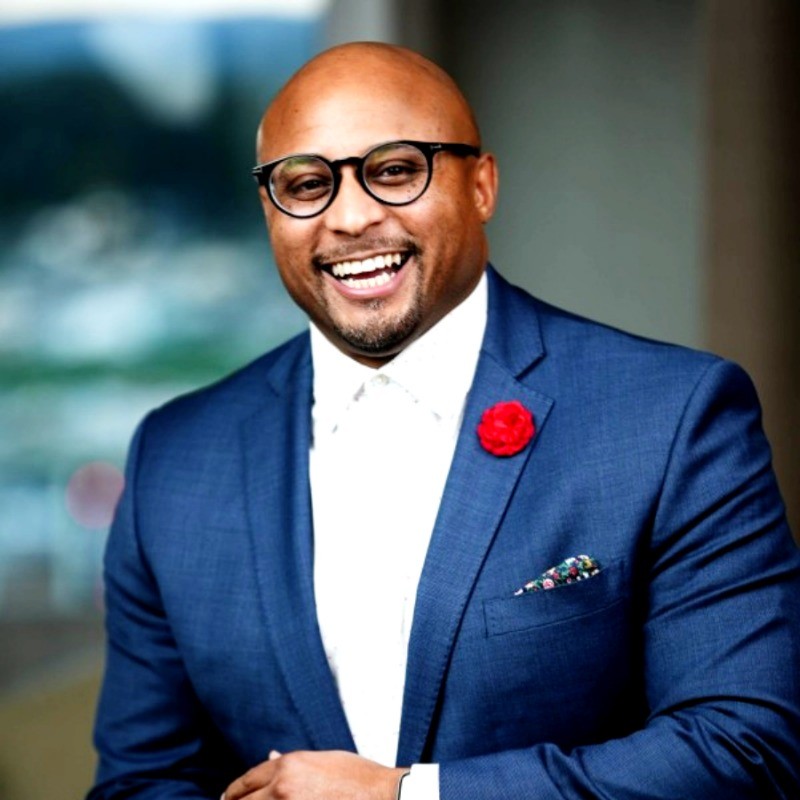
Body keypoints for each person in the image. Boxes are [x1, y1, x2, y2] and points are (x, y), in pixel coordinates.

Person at [88, 42, 800, 800]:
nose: (352, 216)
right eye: (306, 184)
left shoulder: (673, 417)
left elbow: (744, 750)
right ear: (270, 211)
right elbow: (144, 780)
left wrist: (407, 797)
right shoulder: (177, 456)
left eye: (395, 170)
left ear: (483, 185)